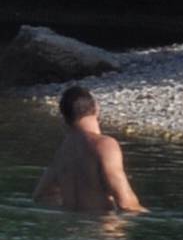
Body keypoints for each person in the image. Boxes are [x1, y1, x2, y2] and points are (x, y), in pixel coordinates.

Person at [34, 83, 146, 214]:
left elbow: (41, 196)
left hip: (70, 229)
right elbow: (126, 203)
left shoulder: (63, 150)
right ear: (96, 108)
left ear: (65, 117)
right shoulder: (105, 145)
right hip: (102, 229)